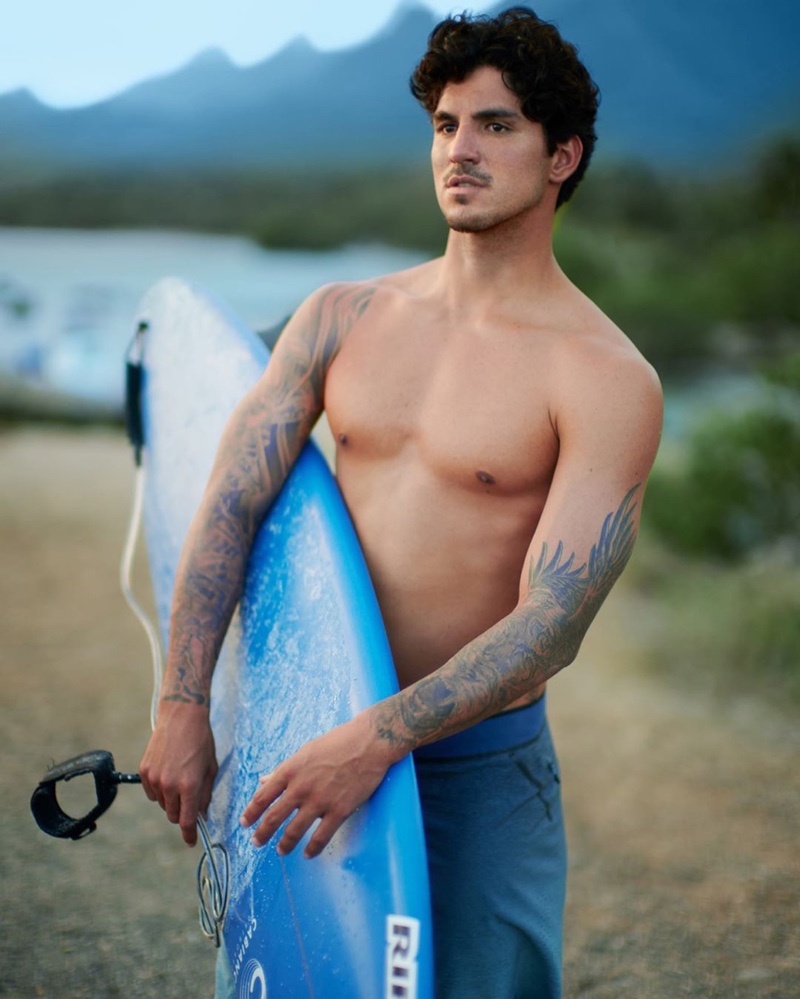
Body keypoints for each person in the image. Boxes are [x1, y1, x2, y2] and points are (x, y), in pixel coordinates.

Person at [139, 7, 663, 997]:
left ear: (562, 156)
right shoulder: (343, 317)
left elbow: (550, 625)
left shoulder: (603, 377)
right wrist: (183, 702)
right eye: (445, 125)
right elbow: (229, 505)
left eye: (496, 125)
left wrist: (376, 740)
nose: (460, 150)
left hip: (478, 769)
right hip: (312, 718)